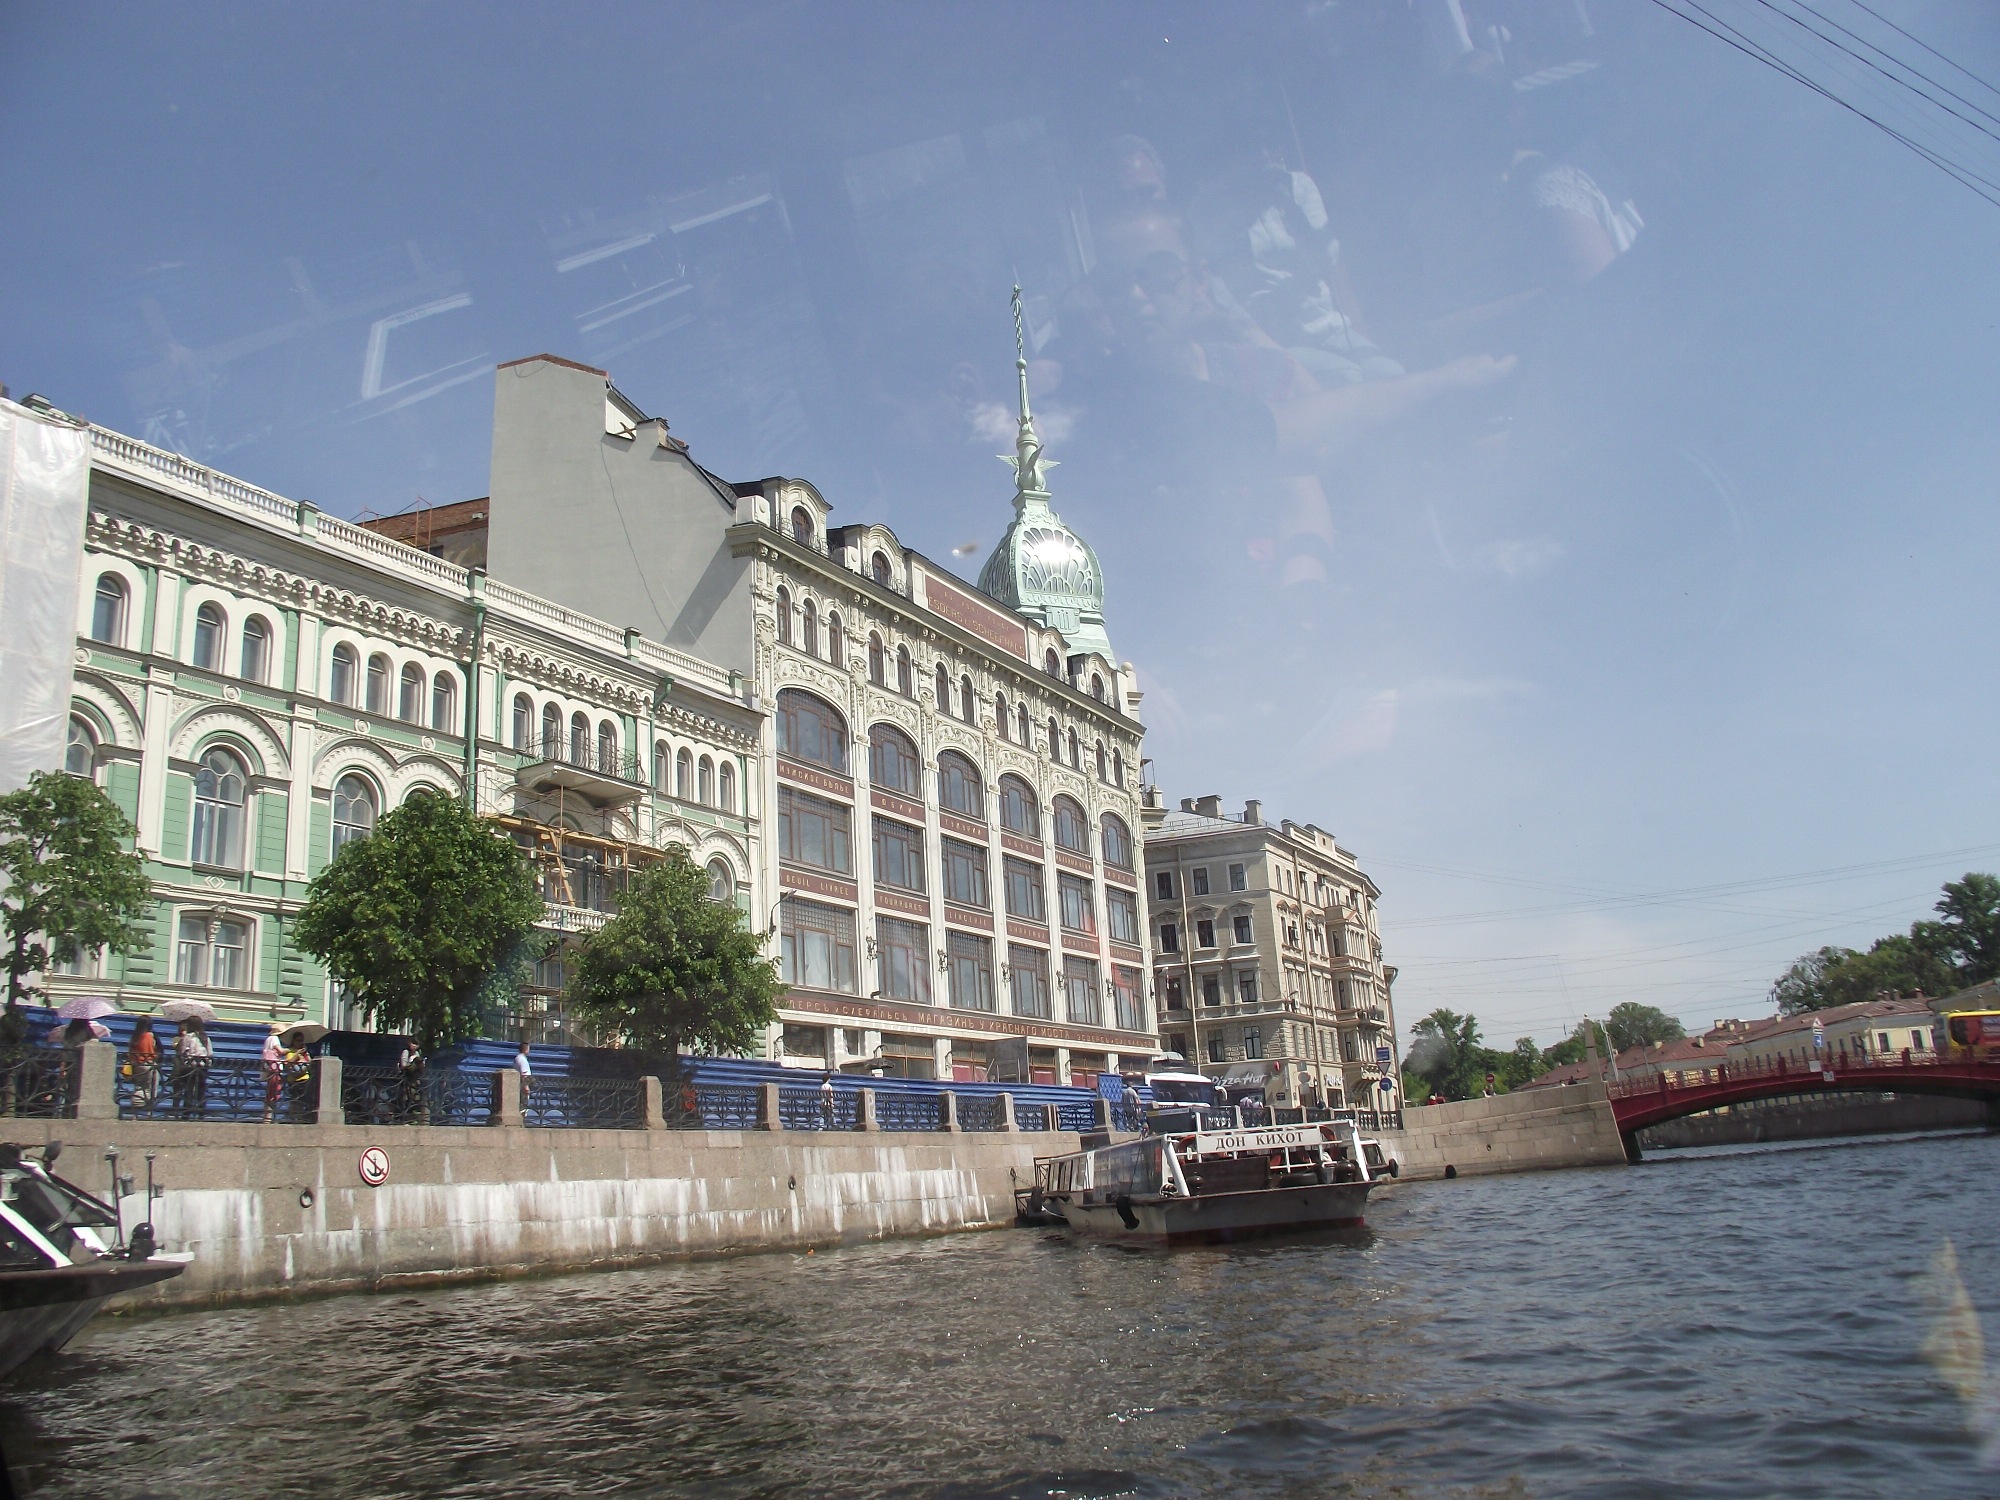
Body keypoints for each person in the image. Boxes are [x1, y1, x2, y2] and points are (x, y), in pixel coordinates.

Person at [173, 1019, 212, 1119]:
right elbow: (210, 1053)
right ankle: (201, 1113)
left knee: (189, 1089)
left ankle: (186, 1113)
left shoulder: (188, 1037)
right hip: (203, 1065)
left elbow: (181, 1051)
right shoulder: (205, 1037)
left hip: (191, 1066)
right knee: (201, 1090)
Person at [128, 1017, 160, 1112]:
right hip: (148, 1063)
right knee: (151, 1088)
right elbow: (151, 1050)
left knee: (139, 1086)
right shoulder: (149, 1035)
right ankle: (148, 1109)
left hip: (137, 1064)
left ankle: (134, 1108)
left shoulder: (135, 1037)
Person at [396, 1038, 427, 1125]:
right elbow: (403, 1065)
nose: (414, 1046)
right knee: (405, 1099)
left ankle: (413, 1119)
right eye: (412, 1044)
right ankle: (404, 1119)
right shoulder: (406, 1052)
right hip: (406, 1079)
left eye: (416, 1044)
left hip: (415, 1079)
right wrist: (411, 1063)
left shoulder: (417, 1053)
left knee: (415, 1099)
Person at [261, 1023, 285, 1122]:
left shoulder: (268, 1039)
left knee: (269, 1092)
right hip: (274, 1068)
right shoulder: (274, 1038)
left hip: (268, 1067)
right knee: (273, 1093)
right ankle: (268, 1117)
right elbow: (281, 1051)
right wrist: (291, 1051)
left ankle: (267, 1116)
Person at [513, 1040, 532, 1115]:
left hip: (518, 1082)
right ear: (526, 1050)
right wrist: (526, 1086)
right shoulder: (523, 1060)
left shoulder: (517, 1058)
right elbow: (524, 1074)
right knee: (524, 1102)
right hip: (522, 1083)